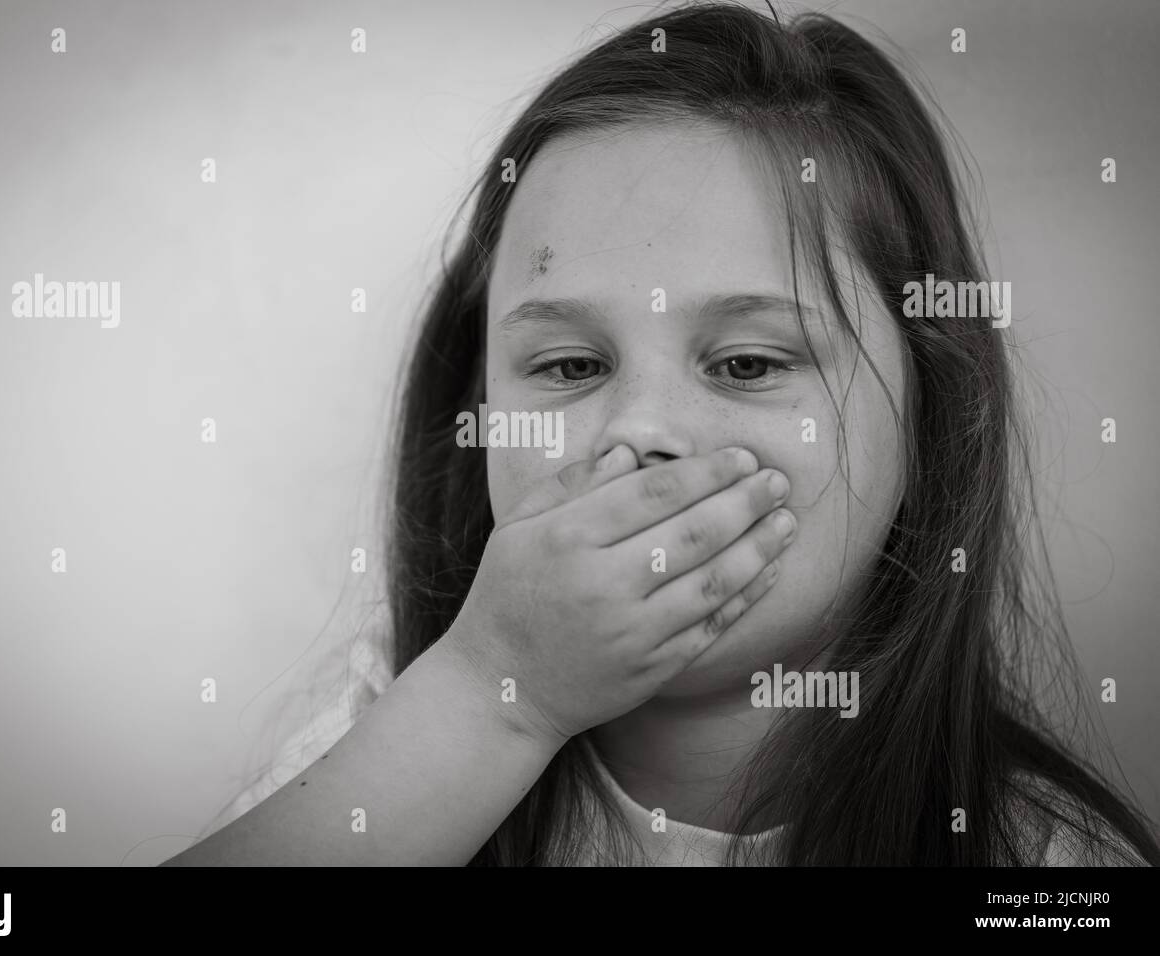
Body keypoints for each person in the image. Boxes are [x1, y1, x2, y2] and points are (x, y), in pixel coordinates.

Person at [165, 0, 1158, 866]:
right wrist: (494, 698)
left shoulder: (1040, 853)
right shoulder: (394, 720)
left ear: (930, 411)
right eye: (570, 367)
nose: (639, 430)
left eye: (748, 364)